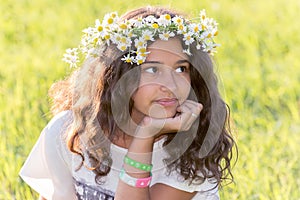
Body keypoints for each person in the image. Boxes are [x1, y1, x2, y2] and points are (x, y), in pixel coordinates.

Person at [19, 6, 236, 200]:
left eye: (181, 69)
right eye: (152, 69)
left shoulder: (193, 146)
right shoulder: (69, 132)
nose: (171, 84)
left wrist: (145, 134)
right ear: (120, 76)